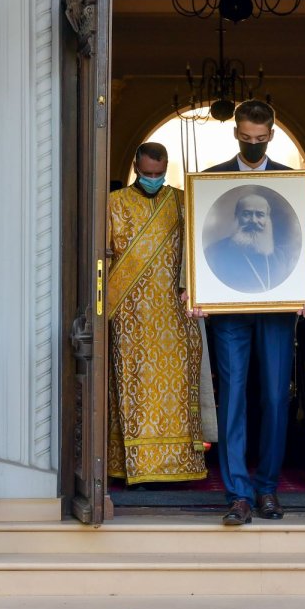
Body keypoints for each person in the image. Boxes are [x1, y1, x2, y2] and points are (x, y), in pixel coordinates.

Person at [192, 99, 305, 525]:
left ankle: (267, 489)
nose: (253, 145)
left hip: (280, 311)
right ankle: (238, 495)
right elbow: (195, 251)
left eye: (260, 140)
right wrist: (195, 292)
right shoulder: (211, 183)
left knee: (274, 399)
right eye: (246, 139)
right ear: (235, 135)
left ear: (272, 135)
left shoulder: (292, 184)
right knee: (233, 401)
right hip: (227, 312)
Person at [106, 142, 207, 484]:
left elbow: (198, 253)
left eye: (159, 174)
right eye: (146, 173)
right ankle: (133, 465)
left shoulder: (180, 201)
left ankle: (178, 465)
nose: (152, 179)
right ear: (135, 166)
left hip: (174, 316)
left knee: (174, 392)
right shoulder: (113, 204)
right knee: (134, 389)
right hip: (130, 317)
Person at [204, 192, 295, 293]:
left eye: (260, 215)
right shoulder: (214, 253)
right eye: (247, 214)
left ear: (267, 219)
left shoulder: (280, 257)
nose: (254, 221)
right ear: (236, 216)